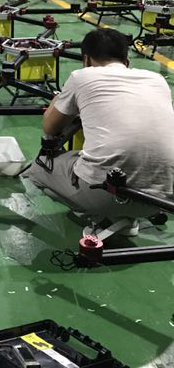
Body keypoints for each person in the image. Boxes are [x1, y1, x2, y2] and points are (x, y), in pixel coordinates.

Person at [22, 28, 174, 234]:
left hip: (105, 196)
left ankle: (100, 216)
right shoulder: (157, 79)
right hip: (162, 199)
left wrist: (62, 96)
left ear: (86, 60)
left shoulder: (81, 77)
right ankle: (126, 218)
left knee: (38, 170)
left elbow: (50, 127)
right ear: (126, 61)